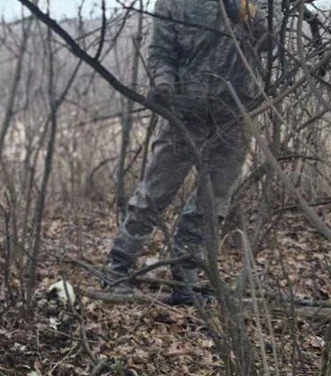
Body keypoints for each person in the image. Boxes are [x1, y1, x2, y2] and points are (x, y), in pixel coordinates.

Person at [105, 0, 274, 304]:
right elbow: (161, 53)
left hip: (235, 113)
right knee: (155, 193)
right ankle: (117, 269)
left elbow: (267, 43)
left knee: (211, 203)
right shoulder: (172, 2)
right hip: (184, 112)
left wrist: (251, 13)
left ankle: (185, 284)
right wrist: (164, 85)